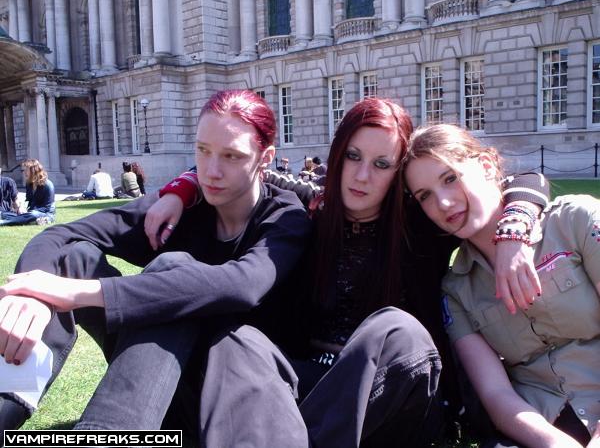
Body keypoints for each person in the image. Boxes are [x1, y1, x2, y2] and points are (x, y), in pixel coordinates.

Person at [148, 98, 549, 447]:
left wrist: (513, 231)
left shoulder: (420, 223)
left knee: (398, 329)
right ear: (338, 154)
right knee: (237, 341)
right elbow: (246, 166)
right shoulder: (317, 204)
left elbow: (521, 179)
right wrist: (181, 189)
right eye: (353, 156)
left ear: (398, 174)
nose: (361, 176)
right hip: (312, 385)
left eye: (381, 164)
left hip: (393, 392)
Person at [0, 90, 311, 437]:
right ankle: (6, 407)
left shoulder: (285, 217)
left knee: (175, 269)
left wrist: (82, 293)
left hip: (235, 400)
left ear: (265, 158)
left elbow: (241, 285)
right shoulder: (180, 209)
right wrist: (32, 296)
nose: (211, 171)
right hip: (156, 385)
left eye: (232, 156)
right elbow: (60, 235)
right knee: (73, 258)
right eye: (203, 150)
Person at [402, 123, 600, 448]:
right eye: (425, 195)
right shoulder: (456, 290)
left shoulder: (575, 221)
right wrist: (555, 445)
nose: (444, 203)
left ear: (486, 165)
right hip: (543, 422)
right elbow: (496, 395)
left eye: (450, 178)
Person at [0, 159, 55, 226]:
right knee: (6, 213)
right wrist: (23, 209)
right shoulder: (29, 184)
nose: (24, 172)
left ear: (33, 170)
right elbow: (29, 201)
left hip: (45, 213)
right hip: (30, 213)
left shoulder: (48, 185)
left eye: (26, 170)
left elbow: (47, 207)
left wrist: (31, 212)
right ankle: (30, 220)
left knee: (32, 215)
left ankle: (4, 222)